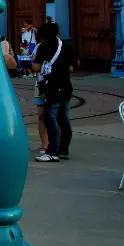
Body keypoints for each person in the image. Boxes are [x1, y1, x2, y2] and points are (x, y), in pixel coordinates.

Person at [33, 22, 78, 162]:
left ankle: (52, 151)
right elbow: (77, 64)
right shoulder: (66, 46)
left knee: (49, 118)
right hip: (66, 86)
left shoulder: (43, 47)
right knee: (64, 119)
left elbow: (36, 67)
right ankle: (64, 150)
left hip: (52, 87)